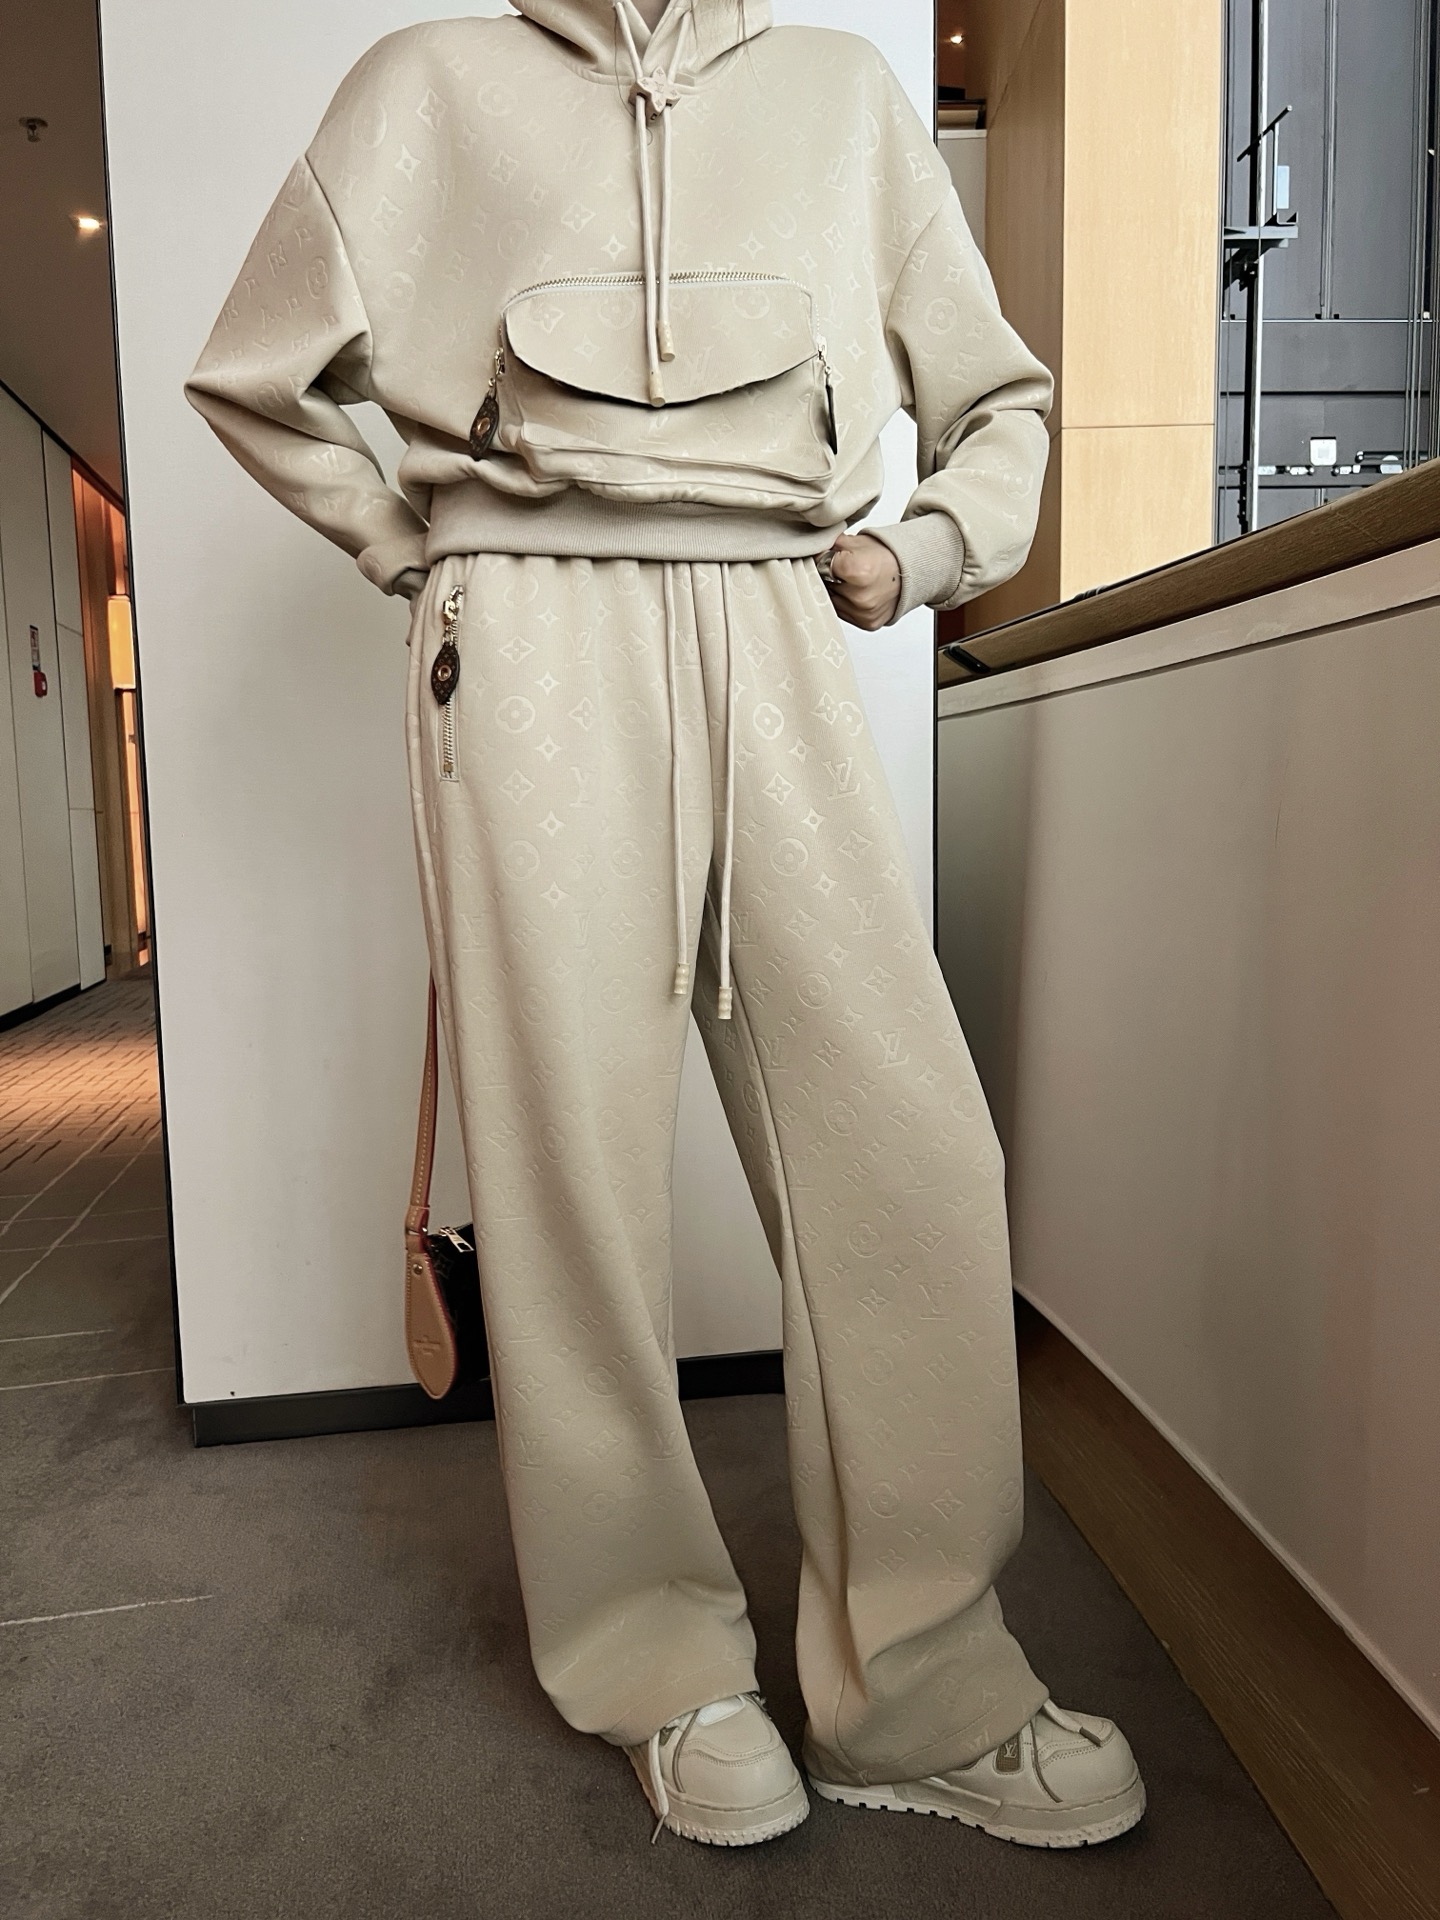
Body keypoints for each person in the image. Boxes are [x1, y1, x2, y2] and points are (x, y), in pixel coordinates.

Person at [187, 0, 1145, 1853]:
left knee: (906, 1154)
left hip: (774, 605)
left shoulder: (840, 93)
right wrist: (407, 540)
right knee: (574, 1172)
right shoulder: (427, 87)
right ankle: (657, 1661)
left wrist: (926, 547)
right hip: (526, 631)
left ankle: (922, 1683)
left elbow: (997, 400)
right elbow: (255, 373)